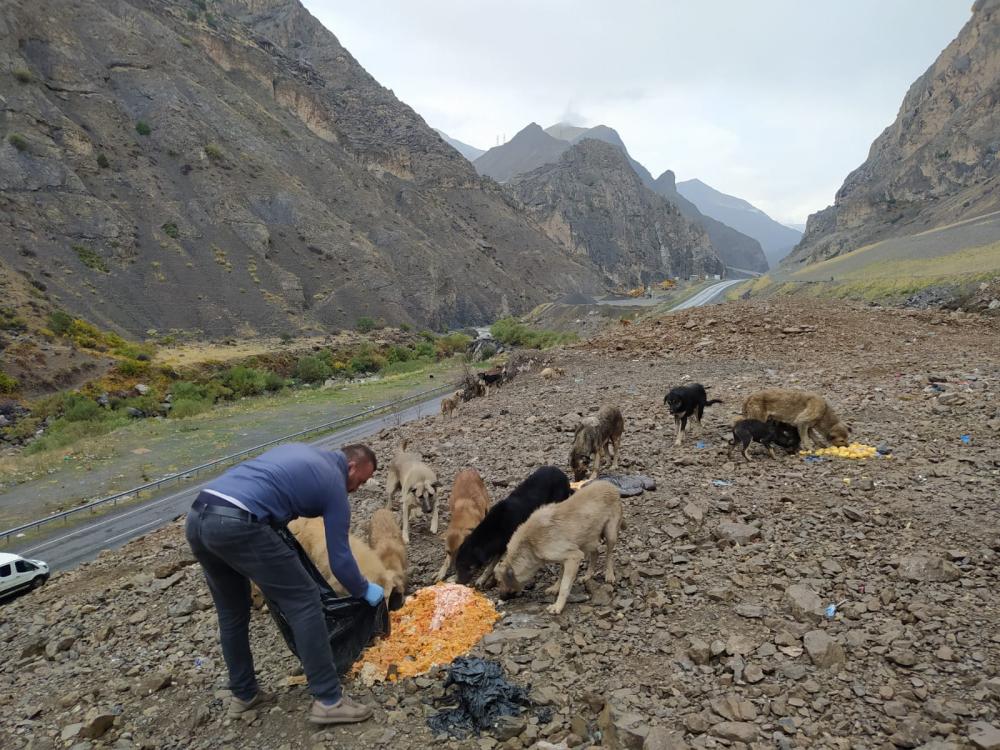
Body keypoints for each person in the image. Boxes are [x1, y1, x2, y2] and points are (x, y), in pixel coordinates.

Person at [185, 442, 382, 725]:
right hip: (238, 523)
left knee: (232, 612)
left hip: (199, 517)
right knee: (305, 601)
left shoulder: (306, 453)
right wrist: (364, 590)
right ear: (351, 467)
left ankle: (244, 694)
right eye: (360, 481)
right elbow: (340, 559)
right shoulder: (333, 483)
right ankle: (329, 700)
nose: (356, 489)